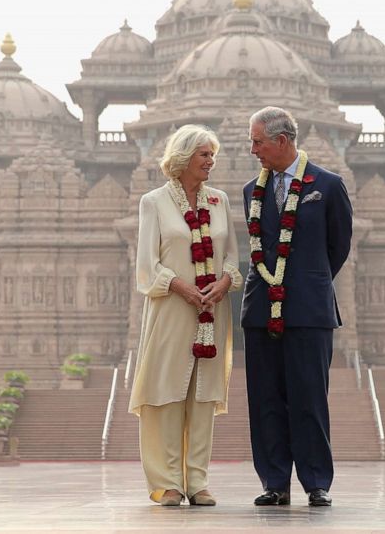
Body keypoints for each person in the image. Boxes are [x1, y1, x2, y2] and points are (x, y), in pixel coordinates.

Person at [241, 106, 353, 507]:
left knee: (309, 397)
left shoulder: (328, 185)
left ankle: (316, 481)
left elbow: (337, 248)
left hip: (309, 310)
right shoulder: (250, 191)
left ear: (281, 141)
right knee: (266, 399)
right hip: (259, 310)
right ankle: (274, 481)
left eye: (257, 142)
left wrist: (307, 281)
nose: (253, 150)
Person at [129, 124, 242, 507]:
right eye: (204, 155)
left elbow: (231, 257)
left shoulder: (219, 201)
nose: (211, 162)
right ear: (183, 158)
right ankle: (167, 483)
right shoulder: (154, 202)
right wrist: (183, 287)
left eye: (213, 155)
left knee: (204, 394)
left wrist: (224, 282)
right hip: (171, 308)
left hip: (212, 309)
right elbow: (147, 265)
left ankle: (197, 481)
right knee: (165, 391)